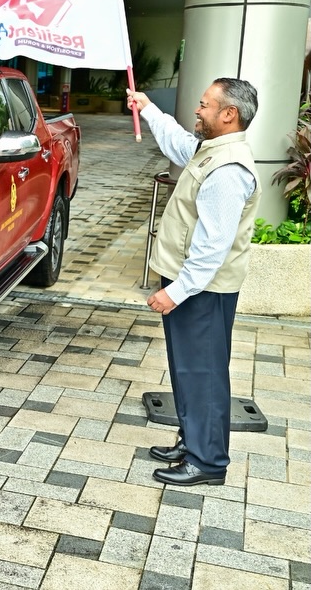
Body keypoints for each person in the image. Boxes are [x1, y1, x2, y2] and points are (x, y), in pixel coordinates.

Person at [127, 79, 261, 487]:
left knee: (203, 372)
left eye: (205, 105)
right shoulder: (212, 149)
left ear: (229, 114)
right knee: (188, 369)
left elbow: (213, 245)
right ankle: (193, 441)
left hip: (203, 289)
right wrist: (148, 108)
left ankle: (207, 461)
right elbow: (179, 144)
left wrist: (176, 291)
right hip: (194, 285)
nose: (197, 110)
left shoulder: (229, 169)